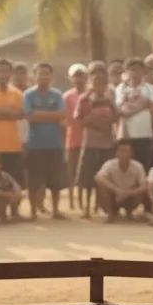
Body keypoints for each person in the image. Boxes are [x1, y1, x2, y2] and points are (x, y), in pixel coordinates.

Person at [23, 62, 67, 219]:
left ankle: (55, 210)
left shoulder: (57, 94)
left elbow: (62, 115)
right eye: (40, 73)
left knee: (55, 180)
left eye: (47, 73)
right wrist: (52, 115)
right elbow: (29, 117)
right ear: (34, 76)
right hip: (35, 144)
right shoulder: (28, 95)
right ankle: (33, 211)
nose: (44, 76)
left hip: (55, 143)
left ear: (51, 76)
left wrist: (39, 114)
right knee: (34, 180)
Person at [75, 64, 118, 218]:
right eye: (95, 83)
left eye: (102, 83)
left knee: (105, 176)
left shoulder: (109, 100)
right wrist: (99, 123)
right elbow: (80, 119)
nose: (98, 86)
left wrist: (102, 122)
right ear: (90, 83)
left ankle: (101, 206)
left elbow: (115, 116)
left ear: (106, 85)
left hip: (106, 144)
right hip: (91, 142)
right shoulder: (85, 99)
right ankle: (86, 208)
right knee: (87, 178)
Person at [115, 57, 153, 170]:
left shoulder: (149, 88)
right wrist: (142, 105)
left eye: (138, 69)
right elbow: (120, 109)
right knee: (127, 165)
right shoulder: (120, 88)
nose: (135, 72)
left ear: (143, 71)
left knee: (144, 165)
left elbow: (152, 106)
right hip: (127, 134)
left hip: (144, 132)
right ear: (126, 72)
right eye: (132, 69)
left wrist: (131, 108)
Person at [95, 138, 148, 221]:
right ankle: (110, 214)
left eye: (127, 151)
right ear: (116, 153)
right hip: (114, 195)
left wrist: (128, 193)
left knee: (141, 192)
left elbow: (144, 186)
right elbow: (99, 178)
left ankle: (129, 212)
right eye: (121, 151)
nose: (124, 154)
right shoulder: (109, 164)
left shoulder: (138, 166)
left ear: (131, 153)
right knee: (102, 186)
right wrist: (117, 190)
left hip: (130, 195)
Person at [62, 64, 88, 210]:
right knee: (71, 172)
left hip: (89, 138)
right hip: (72, 138)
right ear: (71, 78)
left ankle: (84, 202)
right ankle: (72, 201)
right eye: (76, 76)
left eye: (81, 75)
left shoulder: (91, 94)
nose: (79, 79)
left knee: (86, 173)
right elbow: (64, 118)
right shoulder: (67, 96)